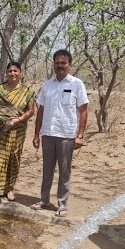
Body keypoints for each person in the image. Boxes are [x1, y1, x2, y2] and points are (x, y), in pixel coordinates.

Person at [32, 49, 88, 216]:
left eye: (63, 63)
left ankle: (62, 204)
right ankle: (44, 200)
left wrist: (80, 136)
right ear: (54, 64)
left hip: (67, 135)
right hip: (48, 133)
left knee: (64, 171)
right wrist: (36, 134)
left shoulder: (77, 84)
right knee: (47, 169)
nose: (60, 66)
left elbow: (84, 111)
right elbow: (40, 111)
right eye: (57, 63)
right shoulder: (47, 85)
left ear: (69, 65)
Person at [0, 61, 36, 201]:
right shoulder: (0, 89)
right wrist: (5, 122)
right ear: (6, 73)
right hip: (0, 130)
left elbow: (31, 111)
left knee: (14, 158)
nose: (12, 73)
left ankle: (9, 189)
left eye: (15, 71)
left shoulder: (27, 91)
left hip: (18, 130)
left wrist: (16, 120)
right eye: (10, 71)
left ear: (20, 73)